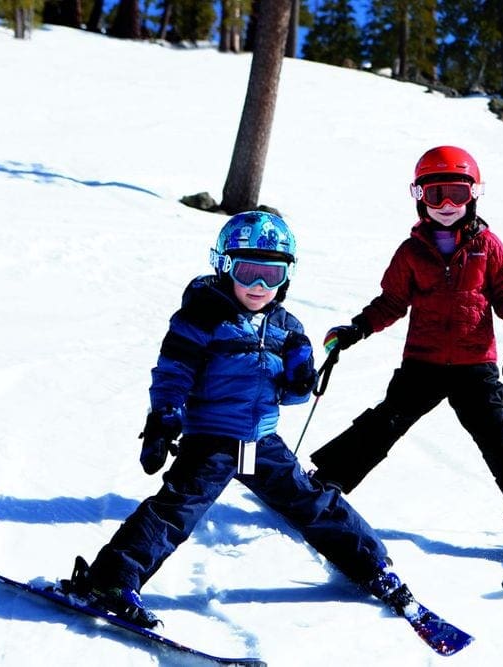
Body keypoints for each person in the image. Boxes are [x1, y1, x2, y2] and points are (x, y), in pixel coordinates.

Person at [63, 209, 414, 628]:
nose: (260, 286)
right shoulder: (203, 317)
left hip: (262, 440)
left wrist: (302, 374)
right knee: (177, 508)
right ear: (224, 265)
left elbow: (294, 396)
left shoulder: (287, 327)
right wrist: (164, 417)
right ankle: (109, 580)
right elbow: (173, 371)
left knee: (311, 500)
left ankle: (373, 565)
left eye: (272, 274)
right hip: (211, 438)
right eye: (248, 272)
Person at [309, 146, 503, 558]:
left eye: (457, 195)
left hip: (474, 365)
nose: (447, 205)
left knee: (498, 437)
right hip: (423, 362)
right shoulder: (411, 252)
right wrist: (356, 329)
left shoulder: (488, 247)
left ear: (474, 196)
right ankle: (323, 481)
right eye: (435, 195)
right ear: (418, 197)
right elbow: (390, 302)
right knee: (385, 422)